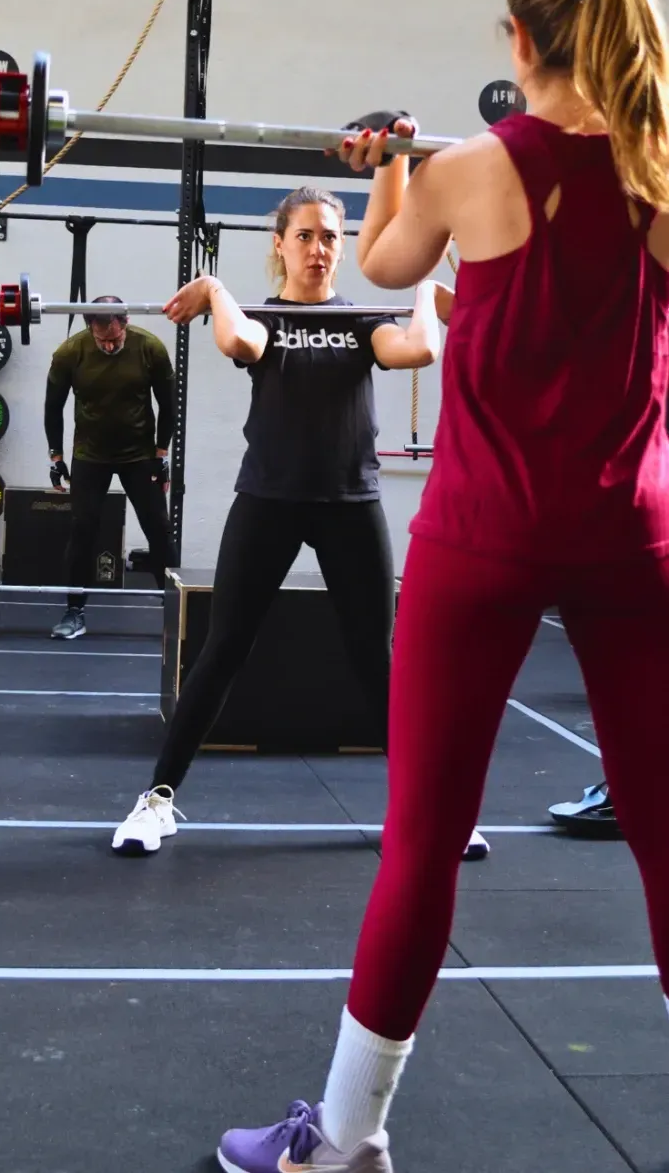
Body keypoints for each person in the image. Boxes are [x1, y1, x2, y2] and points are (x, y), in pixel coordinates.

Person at [215, 0, 669, 1171]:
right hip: (632, 537)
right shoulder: (657, 170)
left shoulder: (473, 175)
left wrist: (386, 167)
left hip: (482, 538)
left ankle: (346, 1137)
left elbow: (380, 267)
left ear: (516, 43)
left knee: (421, 838)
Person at [109, 185, 489, 866]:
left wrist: (427, 294)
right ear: (279, 245)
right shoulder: (260, 316)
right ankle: (157, 798)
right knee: (223, 646)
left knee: (378, 659)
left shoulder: (361, 318)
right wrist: (218, 289)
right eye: (306, 236)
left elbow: (417, 353)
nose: (319, 249)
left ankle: (434, 811)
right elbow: (238, 340)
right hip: (269, 500)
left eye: (331, 238)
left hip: (349, 502)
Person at [44, 297, 177, 640]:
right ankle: (74, 612)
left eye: (115, 339)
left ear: (126, 322)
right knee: (83, 529)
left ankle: (178, 613)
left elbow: (169, 402)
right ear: (91, 329)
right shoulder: (70, 353)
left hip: (139, 455)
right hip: (91, 455)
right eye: (102, 340)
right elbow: (53, 407)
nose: (109, 345)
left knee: (159, 530)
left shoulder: (150, 348)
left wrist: (161, 454)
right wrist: (56, 457)